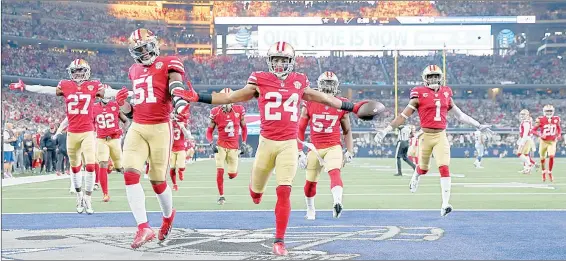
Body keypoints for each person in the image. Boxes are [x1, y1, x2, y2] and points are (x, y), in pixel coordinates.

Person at [173, 41, 368, 256]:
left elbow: (324, 97)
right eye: (276, 60)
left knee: (284, 191)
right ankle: (256, 193)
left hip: (288, 145)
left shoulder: (299, 81)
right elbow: (230, 97)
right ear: (269, 61)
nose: (279, 64)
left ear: (291, 62)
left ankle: (279, 241)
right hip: (266, 143)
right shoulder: (260, 80)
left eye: (284, 60)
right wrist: (199, 97)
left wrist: (353, 106)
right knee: (256, 193)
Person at [374, 65, 492, 217]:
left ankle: (445, 204)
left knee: (444, 166)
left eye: (436, 76)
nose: (434, 79)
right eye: (430, 77)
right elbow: (403, 116)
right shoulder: (419, 94)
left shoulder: (446, 93)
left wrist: (478, 125)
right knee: (423, 169)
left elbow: (460, 115)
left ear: (440, 77)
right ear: (425, 79)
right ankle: (416, 175)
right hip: (425, 136)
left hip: (440, 136)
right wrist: (386, 130)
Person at [113, 28, 192, 249]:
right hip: (138, 126)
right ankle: (143, 227)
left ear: (154, 45)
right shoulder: (133, 70)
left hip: (160, 127)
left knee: (157, 181)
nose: (144, 54)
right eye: (139, 50)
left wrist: (181, 104)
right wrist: (123, 104)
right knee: (129, 173)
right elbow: (129, 113)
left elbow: (176, 87)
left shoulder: (169, 63)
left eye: (147, 48)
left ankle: (167, 217)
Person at [297, 71, 354, 220]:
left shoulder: (341, 104)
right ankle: (311, 209)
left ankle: (337, 202)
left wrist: (349, 150)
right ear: (320, 85)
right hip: (315, 148)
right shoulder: (310, 102)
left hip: (333, 146)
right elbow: (300, 128)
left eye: (331, 84)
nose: (328, 87)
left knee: (334, 172)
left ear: (336, 86)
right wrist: (299, 152)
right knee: (310, 183)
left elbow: (347, 130)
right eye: (326, 84)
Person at [206, 88, 248, 205]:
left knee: (232, 174)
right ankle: (221, 196)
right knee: (219, 170)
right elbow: (209, 131)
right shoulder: (215, 112)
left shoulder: (239, 110)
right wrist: (211, 143)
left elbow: (244, 128)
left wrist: (243, 142)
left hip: (234, 147)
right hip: (221, 145)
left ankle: (233, 170)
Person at [531, 105, 561, 182]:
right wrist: (540, 134)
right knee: (542, 158)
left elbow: (558, 128)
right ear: (544, 111)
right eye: (547, 111)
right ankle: (543, 172)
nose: (549, 112)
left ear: (553, 111)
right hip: (543, 141)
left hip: (552, 141)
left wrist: (559, 135)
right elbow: (533, 130)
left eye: (550, 111)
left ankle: (550, 172)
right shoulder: (540, 119)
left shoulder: (556, 119)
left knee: (551, 156)